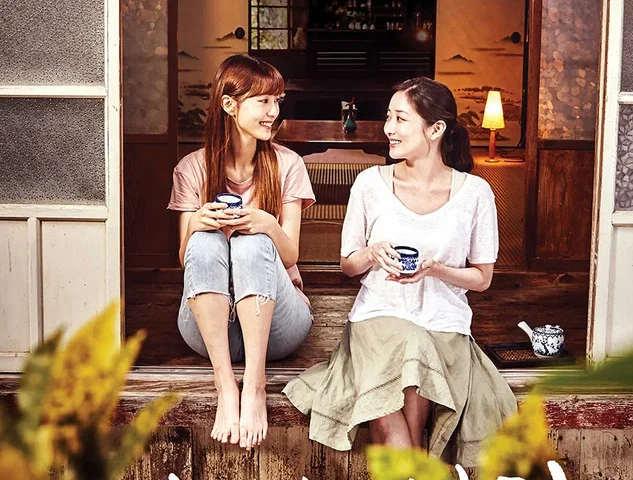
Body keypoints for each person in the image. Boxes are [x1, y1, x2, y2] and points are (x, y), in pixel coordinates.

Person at [283, 77, 516, 466]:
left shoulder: (475, 193)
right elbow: (348, 265)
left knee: (415, 348)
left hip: (443, 325)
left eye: (401, 119)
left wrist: (437, 270)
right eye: (388, 117)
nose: (388, 128)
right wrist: (372, 253)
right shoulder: (369, 184)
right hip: (378, 318)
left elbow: (482, 277)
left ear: (436, 129)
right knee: (408, 345)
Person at [168, 55, 315, 449]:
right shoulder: (191, 168)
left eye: (277, 101)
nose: (274, 111)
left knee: (252, 240)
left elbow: (290, 255)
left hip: (278, 328)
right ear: (229, 105)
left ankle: (254, 384)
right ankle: (225, 384)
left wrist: (267, 223)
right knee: (203, 239)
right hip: (210, 331)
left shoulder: (288, 164)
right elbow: (185, 259)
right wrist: (197, 223)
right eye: (263, 101)